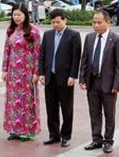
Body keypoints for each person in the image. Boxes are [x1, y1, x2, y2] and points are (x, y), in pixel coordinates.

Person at [79, 10, 119, 154]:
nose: (96, 25)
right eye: (94, 22)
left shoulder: (117, 40)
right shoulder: (89, 37)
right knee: (94, 112)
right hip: (92, 81)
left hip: (108, 83)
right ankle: (96, 139)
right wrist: (82, 78)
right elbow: (85, 60)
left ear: (108, 22)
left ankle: (108, 141)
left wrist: (116, 85)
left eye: (99, 22)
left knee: (109, 113)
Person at [38, 9, 82, 148]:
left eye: (58, 22)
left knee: (66, 109)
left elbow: (76, 58)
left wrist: (73, 76)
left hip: (65, 78)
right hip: (50, 77)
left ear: (65, 20)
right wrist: (41, 73)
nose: (55, 25)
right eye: (53, 22)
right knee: (51, 108)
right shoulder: (47, 35)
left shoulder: (73, 35)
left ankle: (66, 136)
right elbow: (42, 56)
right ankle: (54, 135)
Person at [1, 4, 41, 141]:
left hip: (27, 72)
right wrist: (4, 70)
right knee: (13, 101)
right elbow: (6, 51)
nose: (17, 17)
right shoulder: (10, 30)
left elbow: (37, 53)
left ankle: (27, 130)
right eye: (14, 15)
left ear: (25, 15)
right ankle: (14, 129)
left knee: (27, 101)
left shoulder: (33, 31)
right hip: (13, 73)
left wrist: (36, 72)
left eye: (19, 15)